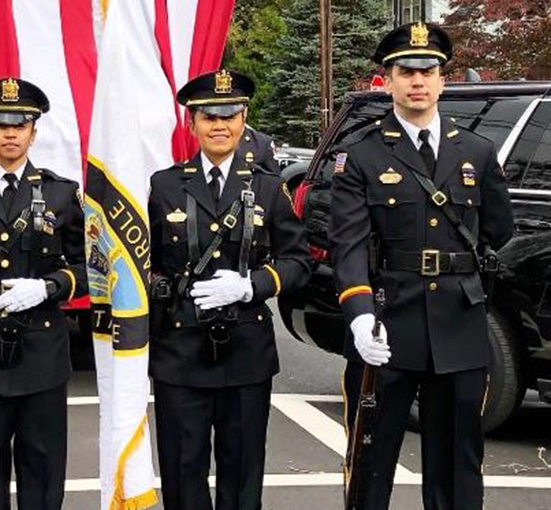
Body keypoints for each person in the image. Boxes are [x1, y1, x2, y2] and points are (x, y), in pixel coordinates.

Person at [330, 22, 514, 510]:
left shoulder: (476, 150)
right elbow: (347, 244)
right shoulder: (363, 154)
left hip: (459, 323)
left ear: (442, 80)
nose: (418, 80)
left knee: (457, 460)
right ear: (387, 80)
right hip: (388, 324)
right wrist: (361, 312)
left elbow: (498, 228)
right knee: (371, 458)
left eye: (428, 70)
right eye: (406, 71)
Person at [147, 69, 310, 510]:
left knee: (241, 479)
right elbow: (148, 263)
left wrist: (252, 286)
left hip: (245, 351)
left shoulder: (268, 187)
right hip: (181, 350)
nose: (220, 125)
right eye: (208, 116)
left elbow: (298, 262)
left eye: (230, 115)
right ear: (193, 123)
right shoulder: (164, 185)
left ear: (243, 119)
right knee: (183, 475)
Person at [0, 77, 87, 510]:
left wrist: (50, 287)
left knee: (43, 472)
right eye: (1, 124)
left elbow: (90, 270)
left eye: (20, 125)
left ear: (34, 132)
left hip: (41, 348)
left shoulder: (62, 192)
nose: (10, 133)